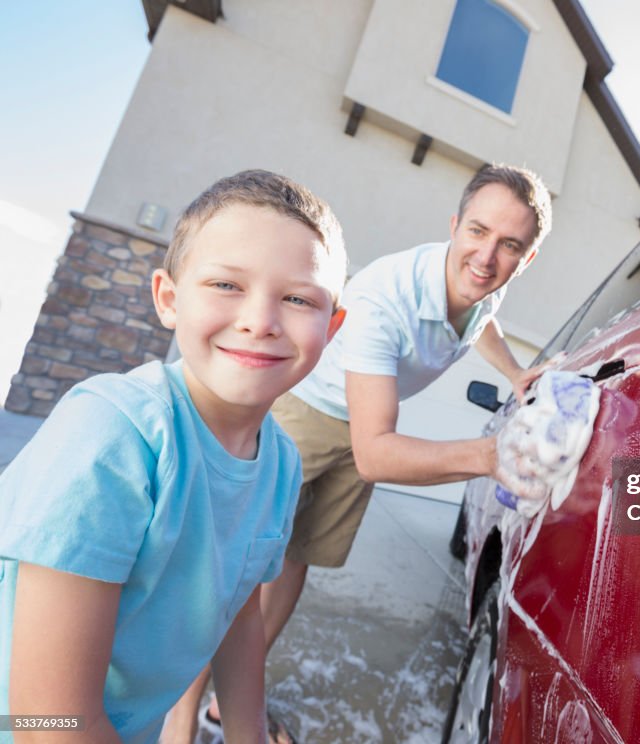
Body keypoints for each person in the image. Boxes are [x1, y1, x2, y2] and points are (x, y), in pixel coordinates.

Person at [186, 163, 553, 731]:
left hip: (364, 424)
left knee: (294, 560)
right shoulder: (385, 299)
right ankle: (177, 719)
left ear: (526, 259)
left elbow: (485, 324)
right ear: (455, 224)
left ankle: (231, 703)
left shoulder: (487, 289)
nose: (485, 257)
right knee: (236, 566)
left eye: (508, 245)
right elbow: (376, 454)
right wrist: (488, 457)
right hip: (305, 415)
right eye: (477, 232)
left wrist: (516, 372)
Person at [0, 170, 347, 744]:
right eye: (226, 285)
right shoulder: (112, 434)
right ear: (168, 298)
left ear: (331, 328)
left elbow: (237, 612)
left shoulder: (281, 464)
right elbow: (46, 718)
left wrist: (248, 734)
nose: (259, 320)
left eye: (296, 298)